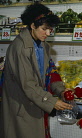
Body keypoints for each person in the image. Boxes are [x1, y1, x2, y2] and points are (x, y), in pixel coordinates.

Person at [0, 2, 72, 138]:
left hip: (36, 102)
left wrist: (60, 90)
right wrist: (52, 101)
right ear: (32, 25)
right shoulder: (20, 48)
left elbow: (49, 71)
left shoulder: (43, 46)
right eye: (44, 29)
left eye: (50, 29)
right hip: (21, 108)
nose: (48, 33)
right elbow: (28, 84)